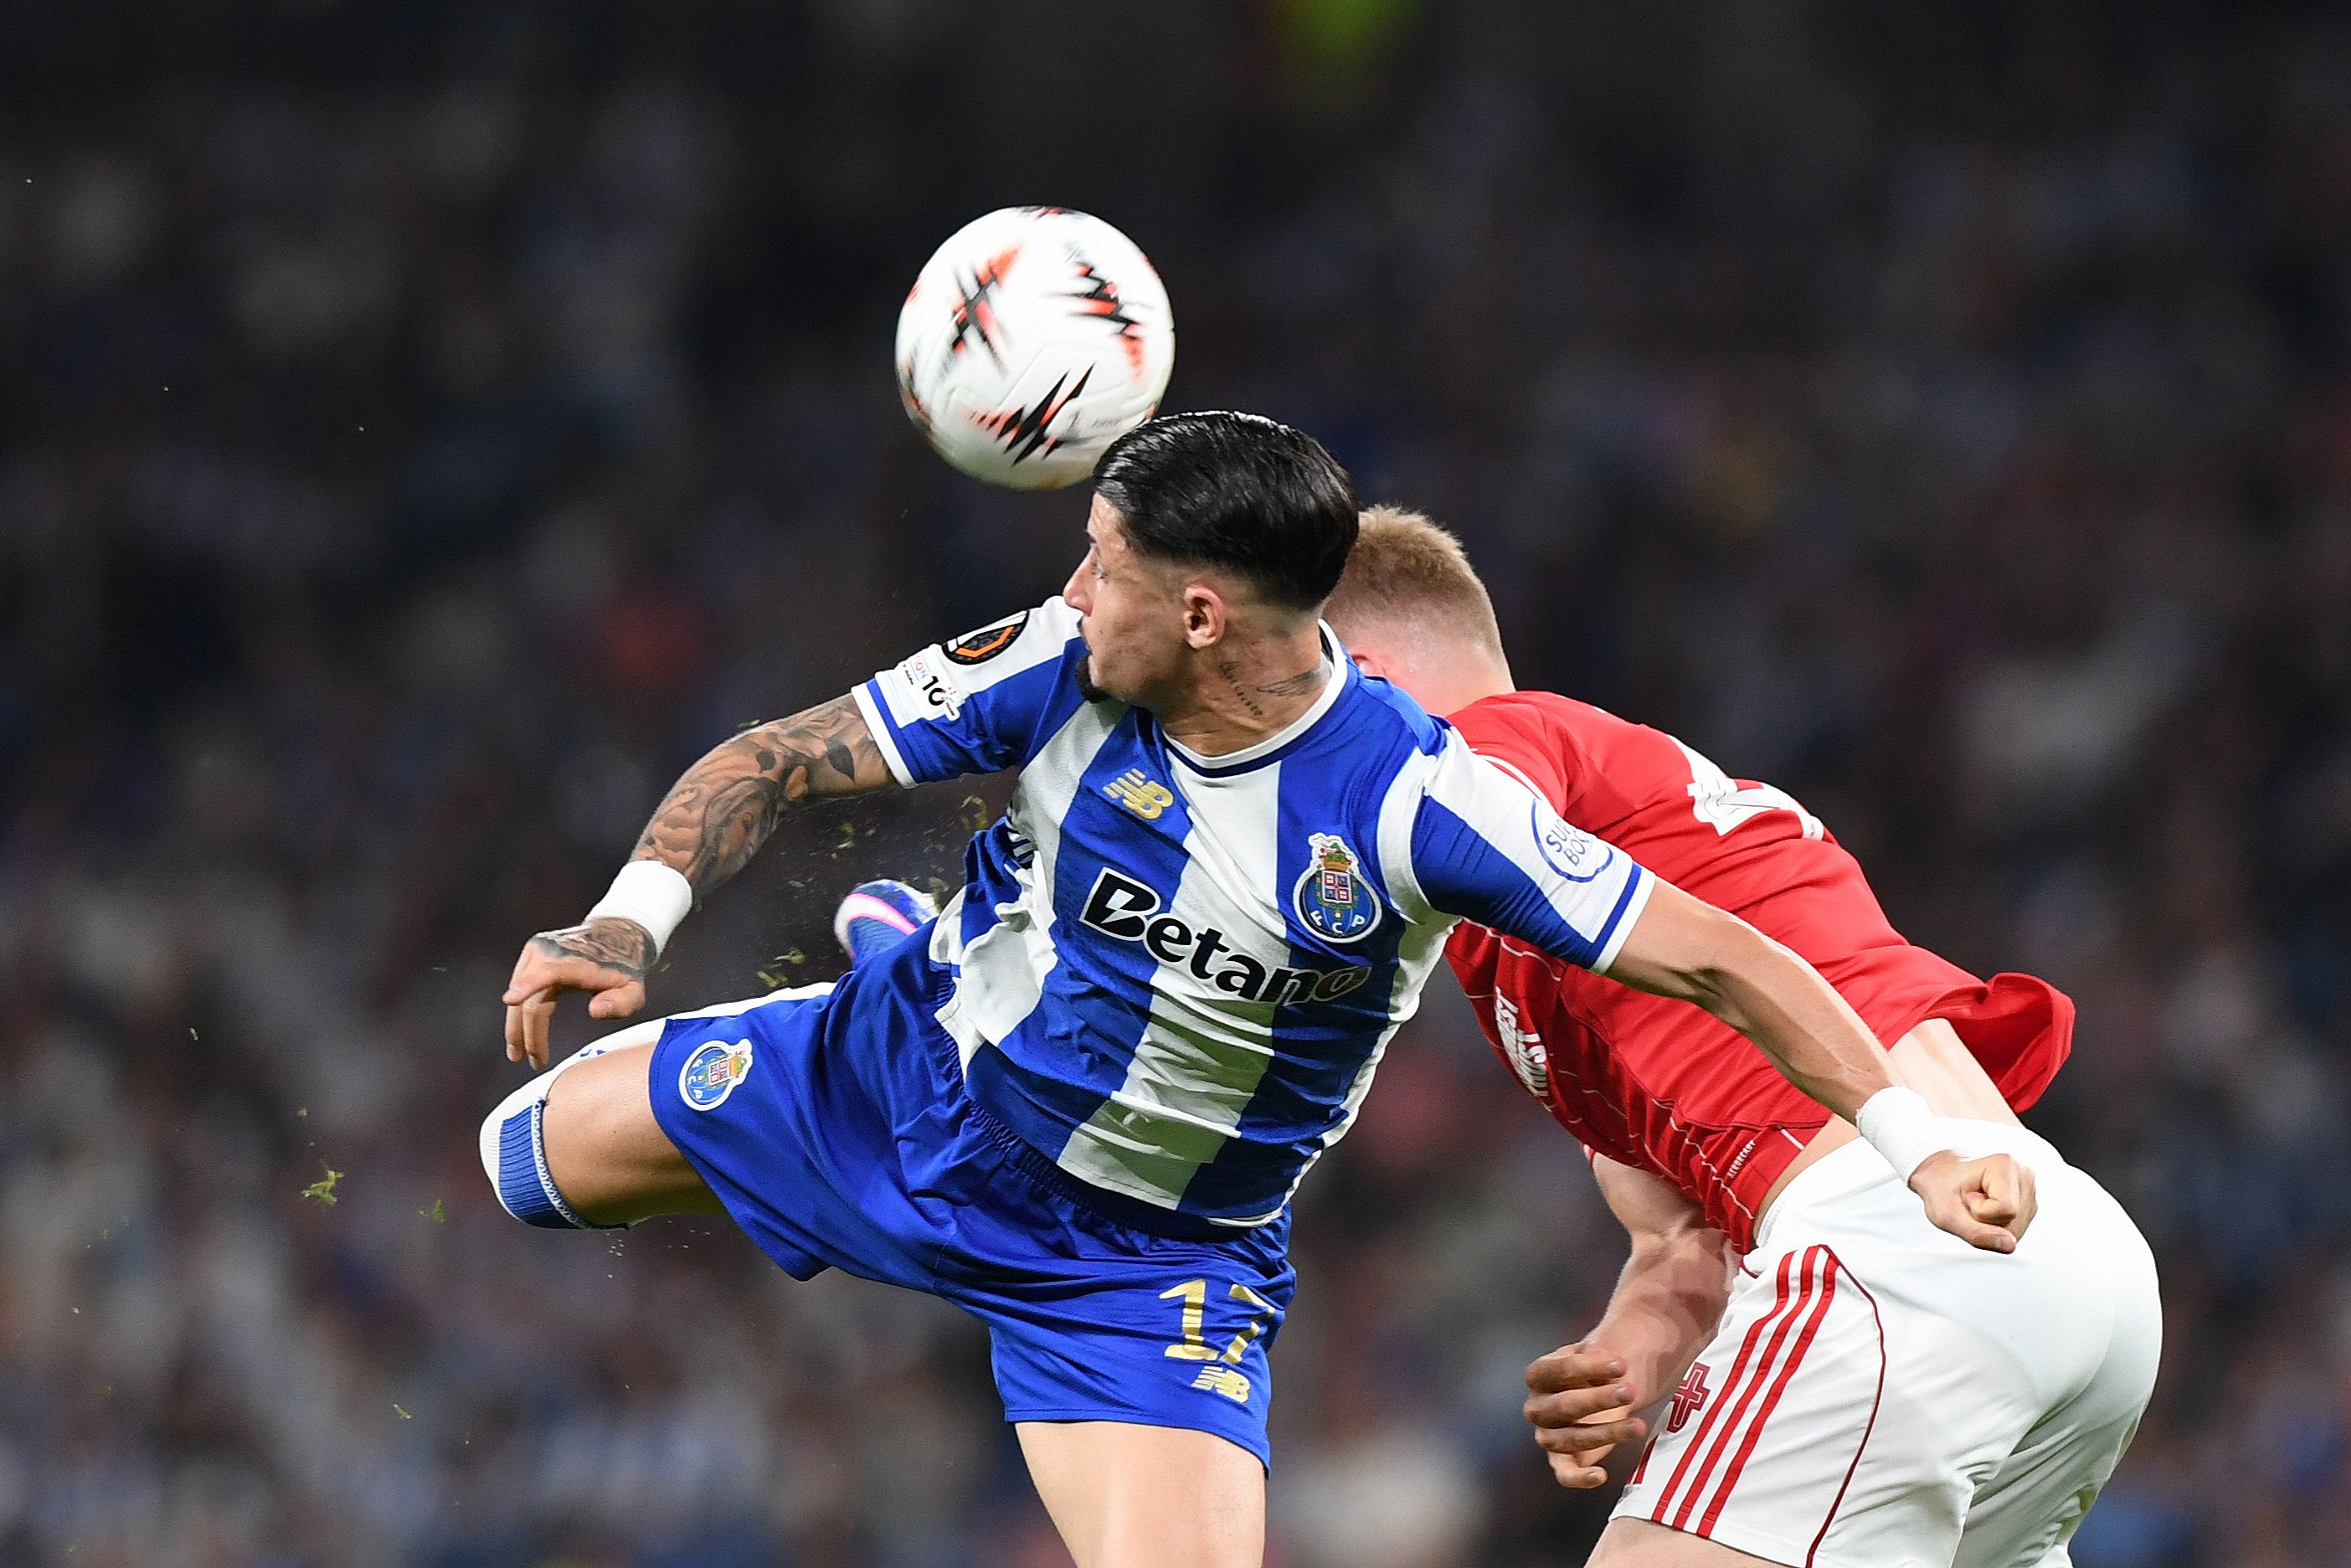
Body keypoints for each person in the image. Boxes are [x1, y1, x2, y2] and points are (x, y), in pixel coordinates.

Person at [481, 414, 2027, 1568]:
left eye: (1104, 563)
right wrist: (627, 921)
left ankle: (935, 947)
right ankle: (928, 960)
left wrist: (1918, 1145)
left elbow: (1724, 954)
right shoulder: (1051, 658)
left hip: (1137, 1269)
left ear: (1205, 612)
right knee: (520, 1160)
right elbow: (777, 758)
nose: (1072, 582)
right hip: (893, 1085)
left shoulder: (1422, 804)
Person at [1320, 506, 2161, 1568]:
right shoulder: (1581, 893)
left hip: (1898, 1242)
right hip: (2059, 1265)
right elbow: (1683, 1239)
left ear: (1366, 677)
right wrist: (1628, 1353)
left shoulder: (1497, 745)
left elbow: (1424, 825)